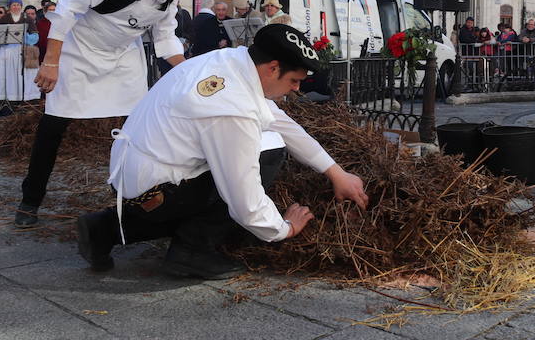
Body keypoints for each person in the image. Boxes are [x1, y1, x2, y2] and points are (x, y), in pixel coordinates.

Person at [75, 24, 369, 278]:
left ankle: (104, 229)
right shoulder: (231, 106)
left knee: (259, 145)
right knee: (269, 150)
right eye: (294, 81)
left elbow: (281, 122)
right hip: (158, 190)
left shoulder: (229, 62)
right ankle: (192, 251)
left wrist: (335, 172)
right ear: (273, 68)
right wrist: (284, 228)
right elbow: (243, 195)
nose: (295, 89)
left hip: (134, 181)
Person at [15, 0, 200, 227]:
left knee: (138, 127)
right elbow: (68, 7)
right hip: (80, 51)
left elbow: (165, 37)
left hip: (124, 55)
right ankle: (30, 199)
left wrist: (192, 73)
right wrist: (51, 62)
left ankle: (135, 197)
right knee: (54, 124)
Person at [0, 0, 40, 103]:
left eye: (18, 5)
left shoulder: (27, 19)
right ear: (9, 7)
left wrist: (24, 37)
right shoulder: (4, 19)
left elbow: (35, 37)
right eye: (14, 5)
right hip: (7, 51)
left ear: (21, 6)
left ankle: (22, 99)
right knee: (7, 76)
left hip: (22, 50)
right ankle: (9, 99)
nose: (16, 7)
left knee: (21, 75)